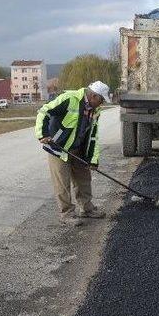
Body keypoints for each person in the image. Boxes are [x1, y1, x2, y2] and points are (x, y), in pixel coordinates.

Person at [35, 81, 111, 226]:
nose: (102, 104)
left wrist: (93, 160)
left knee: (84, 179)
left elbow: (93, 136)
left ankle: (87, 209)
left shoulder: (95, 111)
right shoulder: (69, 99)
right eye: (101, 100)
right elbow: (43, 111)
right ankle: (67, 214)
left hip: (79, 150)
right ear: (94, 96)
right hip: (59, 149)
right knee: (62, 183)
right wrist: (42, 134)